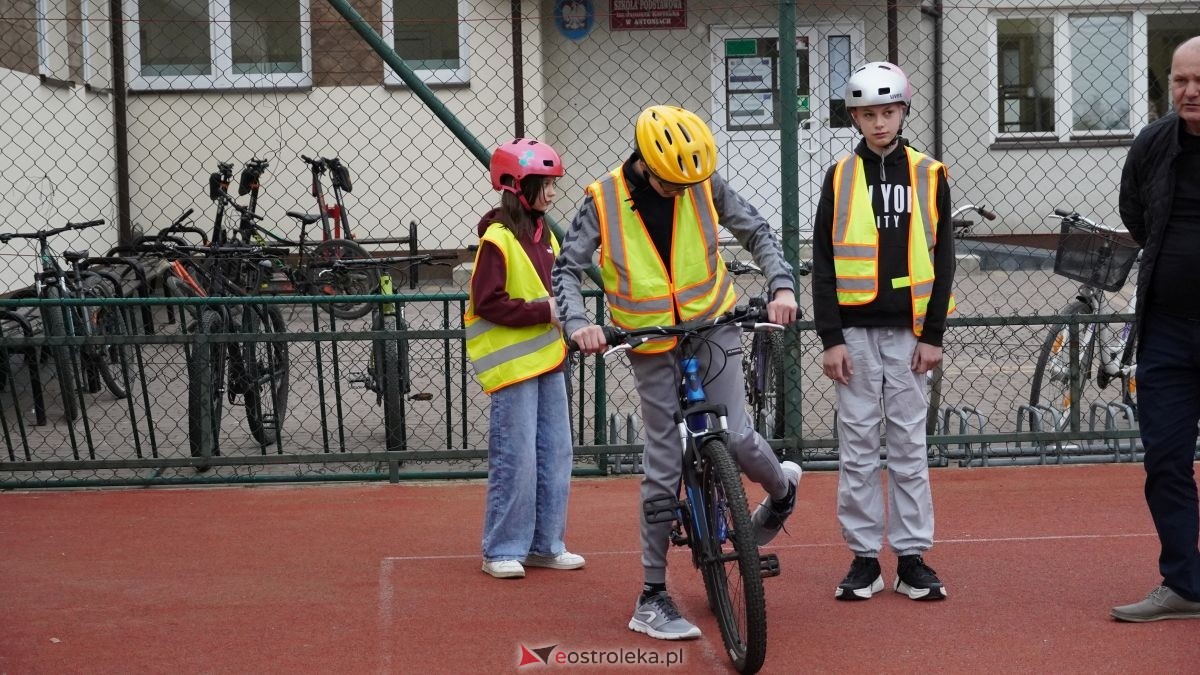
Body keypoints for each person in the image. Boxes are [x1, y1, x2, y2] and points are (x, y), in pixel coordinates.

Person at [552, 105, 802, 640]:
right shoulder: (601, 201)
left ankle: (781, 492)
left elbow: (758, 231)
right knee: (663, 465)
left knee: (735, 437)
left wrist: (781, 286)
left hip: (713, 323)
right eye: (670, 181)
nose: (681, 190)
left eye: (690, 181)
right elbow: (566, 271)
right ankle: (652, 596)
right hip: (647, 341)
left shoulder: (701, 183)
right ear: (643, 162)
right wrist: (579, 324)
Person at [811, 62, 954, 602]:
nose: (879, 122)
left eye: (888, 111)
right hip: (854, 335)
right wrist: (831, 338)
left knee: (909, 447)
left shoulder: (930, 174)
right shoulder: (840, 175)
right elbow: (824, 260)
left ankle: (912, 557)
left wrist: (932, 333)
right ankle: (864, 558)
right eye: (868, 114)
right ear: (854, 117)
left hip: (909, 335)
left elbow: (944, 259)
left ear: (903, 111)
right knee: (858, 448)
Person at [466, 138, 585, 579]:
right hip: (515, 368)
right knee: (516, 458)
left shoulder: (545, 235)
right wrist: (545, 312)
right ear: (517, 186)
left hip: (548, 361)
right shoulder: (497, 241)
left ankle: (545, 545)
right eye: (544, 184)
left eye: (553, 184)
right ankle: (501, 549)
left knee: (555, 454)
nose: (552, 193)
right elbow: (488, 302)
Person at [1111, 35, 1200, 623]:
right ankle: (1184, 586)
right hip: (1166, 332)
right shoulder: (1152, 143)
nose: (1189, 93)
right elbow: (1134, 213)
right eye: (1179, 81)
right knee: (1165, 459)